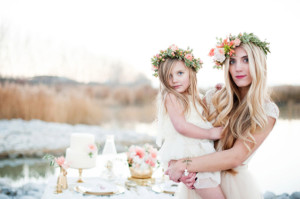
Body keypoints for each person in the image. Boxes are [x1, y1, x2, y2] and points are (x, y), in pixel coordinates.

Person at [166, 33, 279, 199]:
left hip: (235, 187)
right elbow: (187, 135)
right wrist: (173, 163)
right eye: (232, 61)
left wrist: (184, 164)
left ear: (258, 64)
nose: (238, 68)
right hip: (201, 183)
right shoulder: (214, 97)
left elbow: (235, 157)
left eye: (246, 60)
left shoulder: (266, 111)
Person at [152, 45, 225, 199]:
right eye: (169, 76)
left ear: (191, 73)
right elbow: (181, 126)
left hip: (198, 152)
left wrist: (216, 92)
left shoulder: (192, 95)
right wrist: (210, 133)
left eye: (180, 73)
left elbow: (201, 111)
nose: (174, 80)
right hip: (187, 151)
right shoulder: (171, 97)